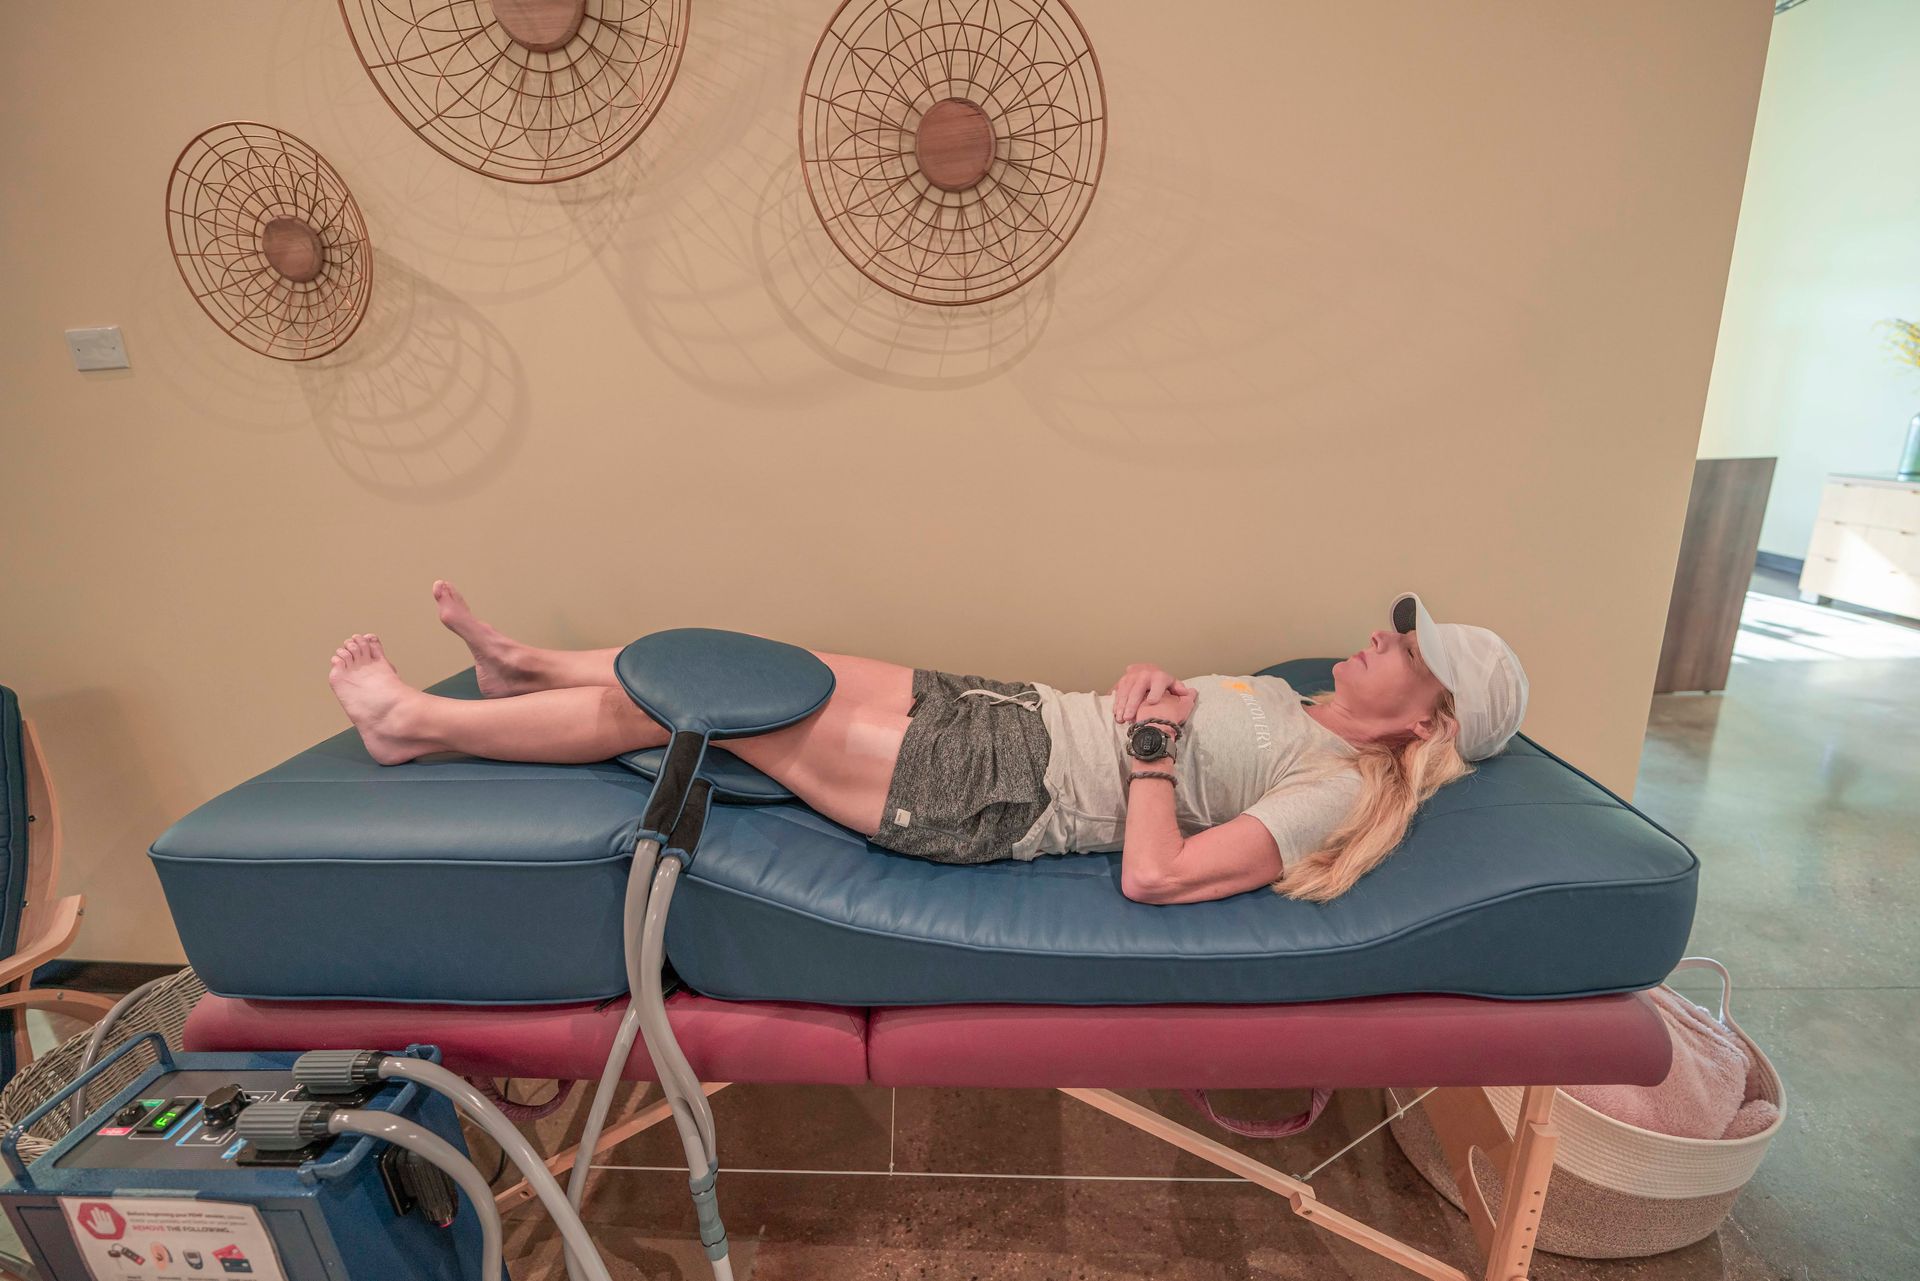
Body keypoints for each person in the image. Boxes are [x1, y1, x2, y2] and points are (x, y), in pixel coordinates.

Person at [328, 583, 1527, 906]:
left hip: (994, 792)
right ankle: (527, 667)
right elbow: (1158, 720)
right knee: (753, 659)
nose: (1382, 635)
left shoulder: (1337, 787)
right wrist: (1148, 693)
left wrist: (1152, 753)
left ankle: (413, 727)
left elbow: (1156, 876)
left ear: (1427, 721)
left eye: (1410, 651)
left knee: (704, 708)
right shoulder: (1295, 697)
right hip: (1006, 712)